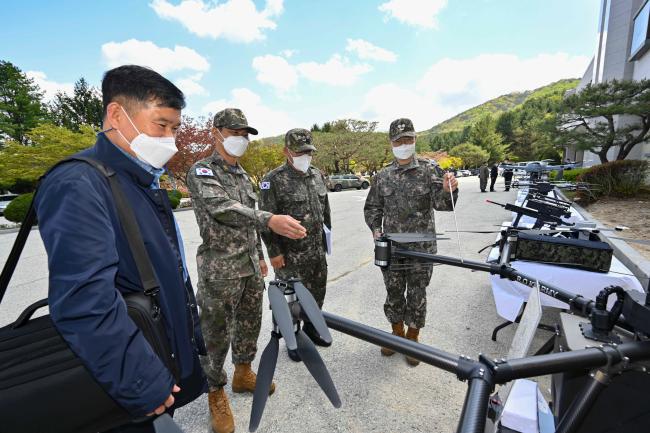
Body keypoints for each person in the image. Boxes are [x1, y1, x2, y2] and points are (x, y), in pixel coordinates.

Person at [34, 65, 207, 432]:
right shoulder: (79, 184)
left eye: (175, 129)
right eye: (161, 125)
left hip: (160, 357)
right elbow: (85, 301)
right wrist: (141, 382)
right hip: (132, 381)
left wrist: (192, 338)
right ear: (116, 114)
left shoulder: (138, 180)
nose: (170, 140)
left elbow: (167, 272)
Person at [186, 108, 306, 433]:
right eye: (234, 132)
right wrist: (270, 219)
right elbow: (224, 209)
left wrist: (261, 256)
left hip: (250, 267)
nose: (241, 139)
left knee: (249, 323)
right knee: (215, 335)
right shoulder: (201, 172)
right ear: (216, 133)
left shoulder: (242, 175)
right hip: (219, 270)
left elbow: (248, 224)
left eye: (244, 134)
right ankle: (215, 392)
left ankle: (243, 372)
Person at [363, 118, 458, 366]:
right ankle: (396, 335)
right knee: (393, 292)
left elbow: (443, 205)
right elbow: (373, 208)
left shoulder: (430, 170)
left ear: (415, 140)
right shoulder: (382, 176)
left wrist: (450, 190)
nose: (404, 144)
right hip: (392, 248)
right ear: (391, 142)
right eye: (399, 141)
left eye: (409, 139)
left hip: (421, 248)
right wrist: (375, 229)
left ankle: (413, 338)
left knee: (417, 294)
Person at [259, 128, 332, 362]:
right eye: (299, 152)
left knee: (316, 294)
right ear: (286, 151)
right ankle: (292, 339)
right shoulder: (272, 180)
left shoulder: (317, 175)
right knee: (289, 300)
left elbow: (325, 210)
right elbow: (265, 220)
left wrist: (326, 239)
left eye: (308, 151)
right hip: (290, 256)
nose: (305, 156)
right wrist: (274, 252)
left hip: (316, 252)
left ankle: (311, 329)